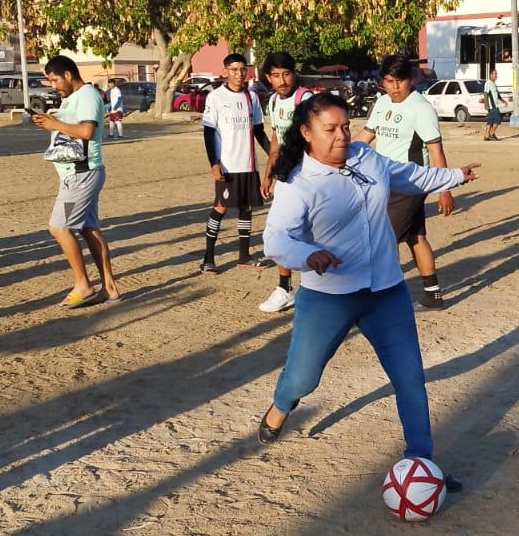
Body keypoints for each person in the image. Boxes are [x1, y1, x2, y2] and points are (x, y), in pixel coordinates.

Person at [257, 91, 479, 489]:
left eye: (345, 126)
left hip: (386, 292)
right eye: (330, 129)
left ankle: (421, 466)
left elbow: (408, 176)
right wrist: (308, 255)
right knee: (303, 379)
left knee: (410, 378)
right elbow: (275, 240)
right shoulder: (298, 182)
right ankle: (280, 407)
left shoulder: (366, 157)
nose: (342, 135)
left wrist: (454, 176)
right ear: (306, 132)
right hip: (328, 297)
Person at [353, 54, 456, 308]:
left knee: (384, 239)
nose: (395, 87)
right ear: (382, 82)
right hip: (383, 181)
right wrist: (337, 153)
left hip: (411, 182)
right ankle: (432, 294)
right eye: (389, 81)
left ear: (411, 80)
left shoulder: (421, 108)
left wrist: (444, 189)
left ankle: (385, 297)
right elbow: (365, 137)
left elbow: (435, 150)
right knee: (415, 236)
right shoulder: (381, 104)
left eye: (400, 80)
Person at [33, 54, 121, 306]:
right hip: (76, 175)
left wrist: (55, 124)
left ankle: (83, 285)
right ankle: (110, 289)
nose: (53, 86)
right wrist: (49, 122)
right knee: (88, 228)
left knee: (59, 227)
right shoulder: (72, 98)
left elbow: (86, 131)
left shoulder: (88, 95)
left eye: (55, 80)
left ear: (68, 75)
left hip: (81, 175)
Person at [199, 52, 270, 273]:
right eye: (234, 70)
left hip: (248, 165)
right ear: (226, 71)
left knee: (246, 208)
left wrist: (274, 154)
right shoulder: (216, 97)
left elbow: (259, 130)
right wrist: (214, 163)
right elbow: (208, 133)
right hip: (227, 165)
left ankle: (244, 256)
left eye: (242, 69)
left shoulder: (252, 97)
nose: (239, 74)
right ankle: (208, 258)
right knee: (220, 208)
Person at [258, 50, 313, 313]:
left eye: (286, 74)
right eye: (276, 75)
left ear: (294, 74)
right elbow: (276, 139)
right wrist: (268, 173)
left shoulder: (306, 100)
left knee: (314, 233)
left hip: (310, 179)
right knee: (282, 231)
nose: (282, 80)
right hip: (286, 178)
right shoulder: (272, 102)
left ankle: (318, 288)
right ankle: (285, 288)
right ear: (268, 78)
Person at [481, 66, 504, 143]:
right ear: (490, 75)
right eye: (495, 74)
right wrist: (486, 104)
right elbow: (485, 93)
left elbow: (497, 94)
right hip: (492, 106)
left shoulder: (494, 83)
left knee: (491, 120)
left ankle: (487, 136)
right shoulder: (488, 83)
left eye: (496, 74)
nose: (496, 75)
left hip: (494, 105)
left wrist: (503, 101)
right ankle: (491, 133)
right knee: (498, 119)